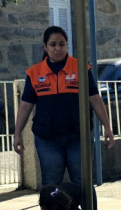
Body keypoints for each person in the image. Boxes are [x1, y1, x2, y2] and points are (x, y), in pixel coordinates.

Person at [12, 26, 115, 186]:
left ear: (67, 45)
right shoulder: (35, 73)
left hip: (78, 137)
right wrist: (17, 133)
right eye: (53, 44)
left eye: (62, 44)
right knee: (51, 184)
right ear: (45, 46)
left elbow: (94, 98)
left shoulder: (81, 68)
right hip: (47, 139)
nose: (58, 48)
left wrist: (107, 127)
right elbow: (25, 105)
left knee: (83, 182)